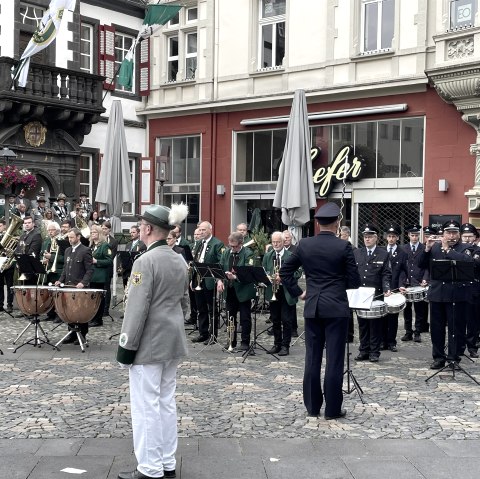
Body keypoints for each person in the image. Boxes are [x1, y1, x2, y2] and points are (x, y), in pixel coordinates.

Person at [116, 203, 189, 479]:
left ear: (147, 229)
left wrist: (126, 347)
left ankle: (149, 467)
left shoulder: (144, 261)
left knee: (146, 405)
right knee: (166, 402)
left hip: (148, 342)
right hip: (172, 339)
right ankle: (167, 462)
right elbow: (185, 304)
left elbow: (136, 309)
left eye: (140, 225)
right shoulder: (178, 259)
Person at [281, 203, 361, 419]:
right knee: (334, 359)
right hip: (336, 307)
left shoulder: (305, 245)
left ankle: (313, 407)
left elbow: (285, 271)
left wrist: (299, 292)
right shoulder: (343, 246)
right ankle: (333, 409)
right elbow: (354, 281)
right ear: (337, 223)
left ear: (317, 223)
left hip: (313, 305)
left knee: (312, 359)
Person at [418, 220, 474, 369]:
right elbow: (420, 265)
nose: (451, 235)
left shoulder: (465, 248)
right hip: (437, 294)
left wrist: (449, 251)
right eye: (448, 233)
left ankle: (453, 358)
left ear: (459, 234)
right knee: (436, 328)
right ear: (443, 234)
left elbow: (469, 263)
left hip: (457, 294)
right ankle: (438, 357)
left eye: (454, 232)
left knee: (456, 328)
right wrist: (427, 249)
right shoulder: (434, 248)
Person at [354, 223, 392, 362]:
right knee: (362, 323)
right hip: (361, 294)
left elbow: (386, 274)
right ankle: (363, 350)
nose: (367, 239)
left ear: (376, 238)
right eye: (365, 237)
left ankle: (374, 352)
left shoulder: (383, 254)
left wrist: (387, 288)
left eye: (370, 237)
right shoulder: (357, 253)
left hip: (376, 294)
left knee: (375, 325)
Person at [217, 232, 256, 351]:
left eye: (235, 246)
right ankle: (231, 341)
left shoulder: (248, 254)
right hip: (230, 290)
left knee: (245, 317)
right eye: (230, 246)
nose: (232, 248)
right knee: (230, 316)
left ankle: (245, 342)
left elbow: (248, 272)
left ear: (241, 244)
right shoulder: (226, 253)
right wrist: (219, 281)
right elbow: (220, 267)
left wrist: (235, 277)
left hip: (243, 290)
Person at [55, 228, 94, 343]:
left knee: (80, 310)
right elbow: (65, 269)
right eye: (69, 237)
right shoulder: (67, 250)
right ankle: (71, 333)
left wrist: (83, 282)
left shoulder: (85, 250)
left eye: (72, 237)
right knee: (69, 310)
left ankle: (82, 334)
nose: (70, 239)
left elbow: (90, 270)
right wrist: (60, 280)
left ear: (78, 237)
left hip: (80, 286)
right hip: (68, 285)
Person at [262, 231, 298, 356]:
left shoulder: (291, 255)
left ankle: (285, 345)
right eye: (273, 242)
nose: (276, 244)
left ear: (283, 242)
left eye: (278, 242)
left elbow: (298, 272)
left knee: (286, 320)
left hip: (286, 290)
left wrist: (283, 277)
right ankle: (277, 344)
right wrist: (267, 276)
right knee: (275, 319)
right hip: (273, 290)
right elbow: (264, 269)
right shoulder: (268, 255)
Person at [190, 221, 224, 344]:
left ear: (210, 230)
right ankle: (203, 333)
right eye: (200, 229)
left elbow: (221, 262)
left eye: (204, 230)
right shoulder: (198, 243)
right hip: (198, 279)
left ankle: (213, 334)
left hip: (210, 280)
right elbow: (195, 260)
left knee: (212, 308)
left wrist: (219, 279)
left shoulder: (217, 244)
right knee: (201, 307)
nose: (201, 232)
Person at [400, 225, 430, 342]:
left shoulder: (424, 248)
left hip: (419, 283)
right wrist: (402, 281)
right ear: (408, 235)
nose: (414, 237)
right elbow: (401, 267)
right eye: (412, 235)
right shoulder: (403, 248)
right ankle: (408, 332)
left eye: (417, 235)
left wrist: (425, 279)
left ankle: (418, 332)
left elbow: (427, 266)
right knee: (407, 309)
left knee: (420, 309)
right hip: (407, 284)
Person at [382, 224, 408, 352]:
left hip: (395, 287)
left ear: (397, 238)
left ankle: (391, 341)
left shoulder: (402, 253)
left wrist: (401, 285)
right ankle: (382, 341)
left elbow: (404, 271)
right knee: (382, 316)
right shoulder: (381, 251)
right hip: (383, 288)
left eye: (393, 236)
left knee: (393, 317)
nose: (391, 239)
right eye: (389, 236)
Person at [461, 222, 480, 358]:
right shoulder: (457, 249)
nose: (467, 239)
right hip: (460, 289)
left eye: (470, 236)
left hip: (474, 289)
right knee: (460, 319)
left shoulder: (477, 250)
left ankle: (472, 346)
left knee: (474, 320)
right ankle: (460, 346)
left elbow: (474, 264)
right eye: (465, 236)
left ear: (475, 237)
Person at [88, 225, 113, 328]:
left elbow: (109, 260)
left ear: (99, 234)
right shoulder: (91, 245)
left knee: (99, 299)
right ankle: (92, 318)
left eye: (94, 232)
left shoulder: (104, 245)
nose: (92, 234)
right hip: (91, 276)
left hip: (100, 276)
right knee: (92, 299)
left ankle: (98, 319)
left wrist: (96, 261)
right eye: (91, 233)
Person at [14, 215, 42, 285]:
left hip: (31, 268)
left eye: (29, 223)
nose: (27, 224)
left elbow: (32, 252)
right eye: (25, 223)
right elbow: (18, 250)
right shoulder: (23, 236)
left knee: (30, 290)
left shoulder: (36, 235)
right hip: (22, 267)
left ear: (33, 224)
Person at [101, 221, 118, 317]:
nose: (104, 230)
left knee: (106, 288)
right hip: (98, 268)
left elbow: (112, 255)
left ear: (109, 229)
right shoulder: (98, 239)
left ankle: (106, 309)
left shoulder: (113, 241)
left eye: (105, 229)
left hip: (107, 268)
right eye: (102, 228)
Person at [0, 219, 15, 312]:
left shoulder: (11, 236)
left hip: (8, 263)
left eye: (0, 225)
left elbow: (14, 249)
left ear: (5, 226)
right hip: (0, 263)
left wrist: (8, 250)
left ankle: (10, 305)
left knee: (10, 285)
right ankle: (0, 304)